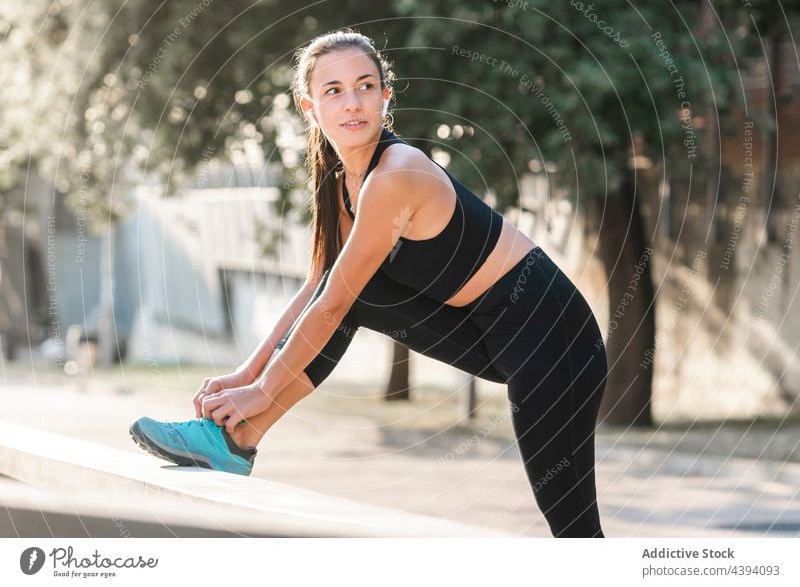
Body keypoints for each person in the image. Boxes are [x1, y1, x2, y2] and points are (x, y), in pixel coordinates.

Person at [130, 28, 608, 537]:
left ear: (386, 95)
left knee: (574, 529)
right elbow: (321, 284)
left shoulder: (396, 173)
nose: (352, 103)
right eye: (333, 91)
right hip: (486, 332)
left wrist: (263, 386)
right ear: (309, 107)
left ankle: (237, 435)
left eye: (365, 86)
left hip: (555, 342)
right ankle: (235, 441)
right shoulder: (341, 178)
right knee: (357, 291)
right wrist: (246, 375)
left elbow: (332, 304)